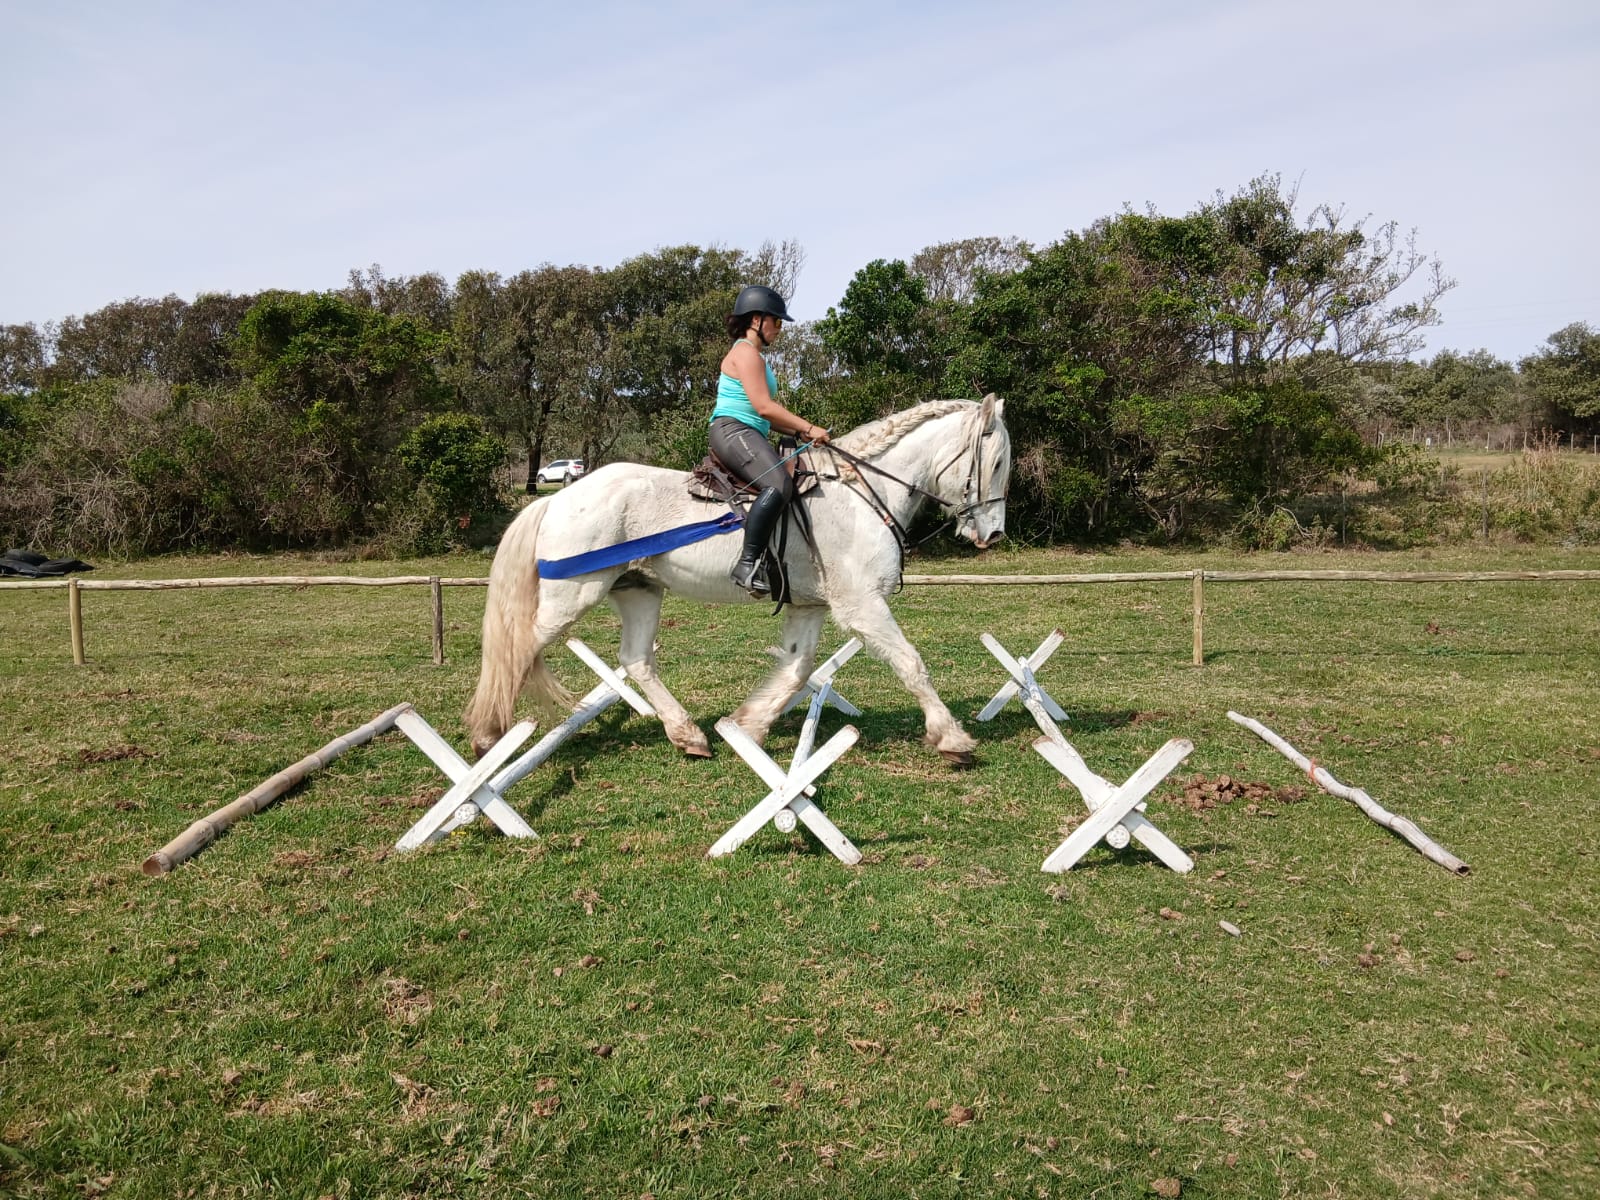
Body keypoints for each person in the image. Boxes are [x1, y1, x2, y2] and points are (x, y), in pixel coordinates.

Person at [709, 285, 830, 594]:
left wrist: (801, 432)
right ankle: (748, 565)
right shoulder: (745, 353)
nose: (779, 328)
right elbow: (764, 407)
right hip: (733, 431)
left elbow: (764, 415)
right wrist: (809, 426)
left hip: (748, 430)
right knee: (778, 485)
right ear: (756, 321)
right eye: (776, 321)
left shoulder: (755, 356)